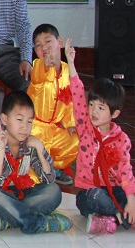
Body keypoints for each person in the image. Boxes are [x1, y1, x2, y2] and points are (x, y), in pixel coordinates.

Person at [66, 42, 135, 234]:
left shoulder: (121, 140)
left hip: (114, 190)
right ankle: (118, 217)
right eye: (92, 105)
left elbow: (126, 172)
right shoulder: (85, 127)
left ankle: (109, 219)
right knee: (92, 197)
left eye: (101, 108)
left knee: (128, 200)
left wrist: (131, 200)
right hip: (90, 192)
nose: (94, 111)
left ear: (115, 114)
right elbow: (77, 95)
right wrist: (71, 64)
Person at [0, 91, 71, 234]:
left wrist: (40, 149)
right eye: (19, 120)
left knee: (54, 191)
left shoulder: (30, 144)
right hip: (3, 194)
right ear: (4, 119)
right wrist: (1, 150)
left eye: (29, 122)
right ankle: (41, 223)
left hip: (23, 195)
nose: (25, 127)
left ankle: (7, 219)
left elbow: (48, 179)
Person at [28, 24, 78, 185]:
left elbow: (70, 102)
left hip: (54, 130)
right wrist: (47, 64)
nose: (44, 48)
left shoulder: (68, 71)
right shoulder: (38, 66)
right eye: (38, 45)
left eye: (48, 41)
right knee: (33, 177)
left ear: (60, 42)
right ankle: (39, 169)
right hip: (35, 129)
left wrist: (71, 124)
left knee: (77, 140)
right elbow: (39, 75)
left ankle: (53, 167)